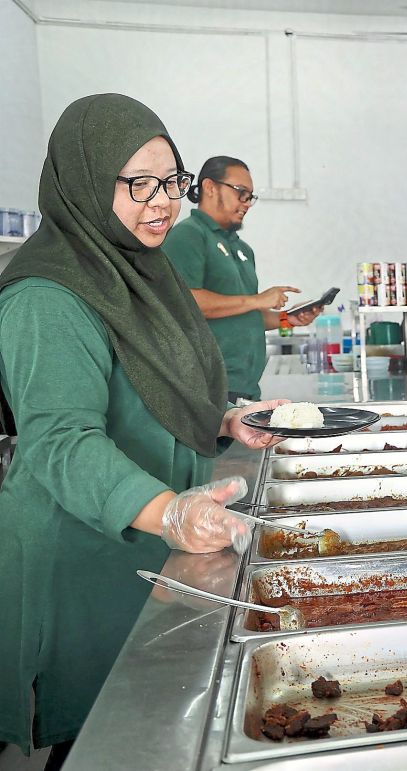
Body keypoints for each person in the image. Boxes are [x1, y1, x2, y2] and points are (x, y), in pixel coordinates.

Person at [0, 94, 287, 769]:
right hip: (79, 553)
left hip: (141, 540)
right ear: (84, 181)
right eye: (138, 184)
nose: (161, 201)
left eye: (171, 182)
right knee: (99, 739)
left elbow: (147, 389)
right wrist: (172, 512)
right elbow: (61, 441)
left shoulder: (136, 269)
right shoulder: (48, 295)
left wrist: (220, 419)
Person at [164, 156, 321, 402]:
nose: (247, 203)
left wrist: (287, 319)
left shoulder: (242, 249)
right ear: (209, 187)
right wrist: (258, 300)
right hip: (205, 388)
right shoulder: (188, 236)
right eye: (241, 193)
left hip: (243, 387)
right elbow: (187, 302)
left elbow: (244, 317)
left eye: (250, 196)